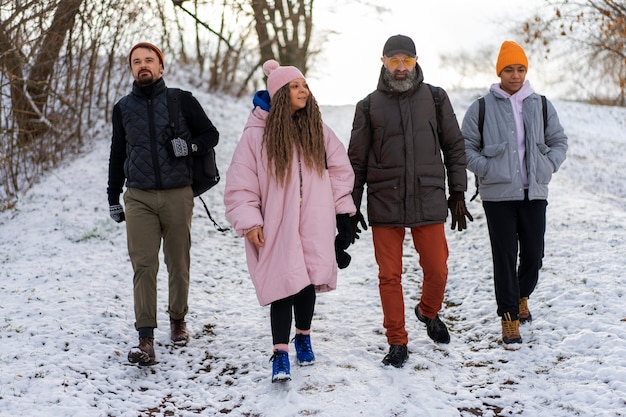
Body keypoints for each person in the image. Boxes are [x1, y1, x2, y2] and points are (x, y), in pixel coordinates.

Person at [224, 59, 356, 382]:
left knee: (307, 281)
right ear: (281, 93)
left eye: (305, 85)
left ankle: (304, 337)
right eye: (295, 86)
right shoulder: (257, 136)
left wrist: (343, 212)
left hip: (314, 219)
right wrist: (250, 221)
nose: (303, 91)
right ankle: (280, 354)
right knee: (283, 285)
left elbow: (340, 170)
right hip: (277, 223)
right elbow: (242, 182)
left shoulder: (317, 131)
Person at [348, 34, 472, 368]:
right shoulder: (368, 105)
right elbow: (355, 162)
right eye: (394, 60)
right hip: (385, 199)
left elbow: (454, 146)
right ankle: (397, 341)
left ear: (416, 61)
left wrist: (457, 191)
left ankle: (427, 312)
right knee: (389, 276)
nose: (401, 67)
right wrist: (350, 205)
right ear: (383, 62)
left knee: (437, 269)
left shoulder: (435, 98)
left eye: (407, 60)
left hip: (427, 194)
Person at [107, 42, 220, 365]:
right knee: (144, 266)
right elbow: (118, 154)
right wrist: (113, 197)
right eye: (136, 61)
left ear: (161, 66)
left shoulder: (181, 101)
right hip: (139, 196)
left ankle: (178, 319)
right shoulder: (123, 108)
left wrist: (189, 147)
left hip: (177, 194)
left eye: (149, 60)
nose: (143, 65)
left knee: (178, 263)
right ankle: (145, 339)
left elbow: (211, 135)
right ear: (131, 69)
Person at [461, 40, 567, 348]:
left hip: (534, 192)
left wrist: (547, 166)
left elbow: (559, 141)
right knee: (504, 257)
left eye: (521, 69)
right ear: (500, 72)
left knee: (534, 254)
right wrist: (488, 170)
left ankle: (522, 295)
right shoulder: (481, 107)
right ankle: (508, 319)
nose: (516, 75)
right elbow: (465, 148)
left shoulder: (542, 104)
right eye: (509, 69)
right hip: (498, 197)